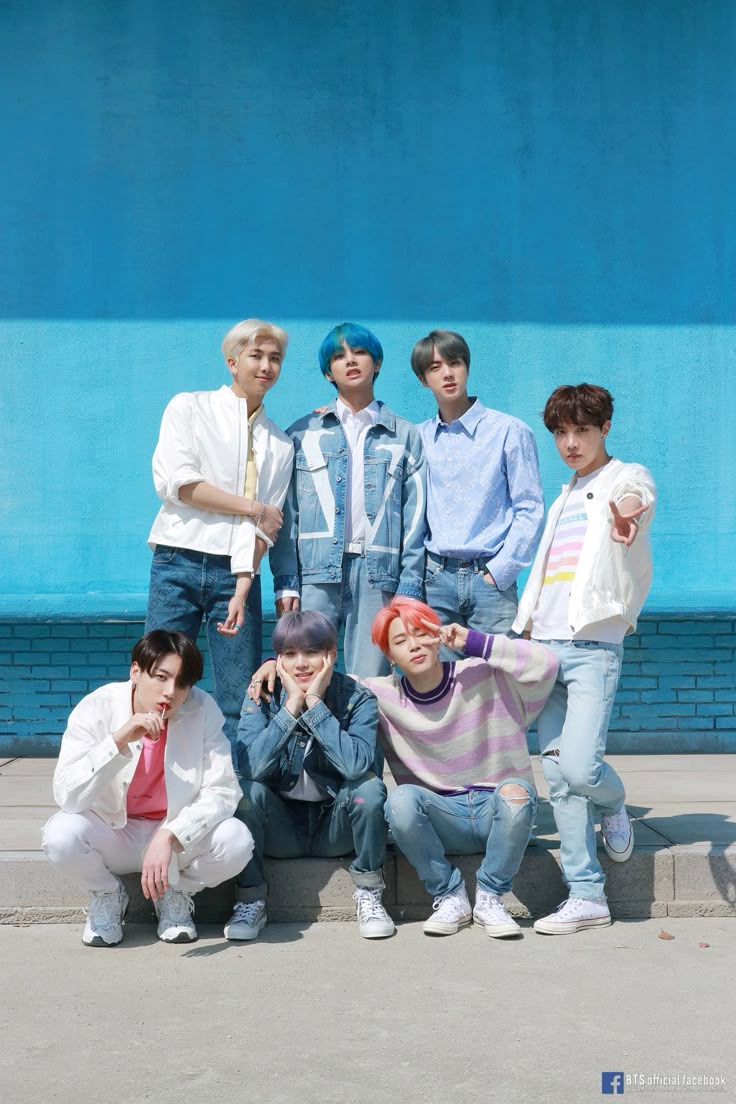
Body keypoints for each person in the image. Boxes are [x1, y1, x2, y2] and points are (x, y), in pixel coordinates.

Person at [249, 598, 558, 937]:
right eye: (400, 640)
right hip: (440, 818)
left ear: (437, 638)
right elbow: (315, 671)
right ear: (390, 657)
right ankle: (449, 894)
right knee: (398, 801)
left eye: (422, 633)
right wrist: (273, 664)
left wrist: (472, 642)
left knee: (516, 793)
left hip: (496, 810)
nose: (414, 645)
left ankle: (490, 898)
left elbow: (546, 664)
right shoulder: (381, 694)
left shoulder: (484, 674)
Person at [512, 384, 656, 935]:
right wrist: (525, 629)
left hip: (593, 649)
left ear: (604, 430)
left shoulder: (624, 477)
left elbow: (637, 497)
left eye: (582, 431)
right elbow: (547, 573)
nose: (570, 443)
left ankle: (614, 802)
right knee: (559, 780)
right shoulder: (564, 496)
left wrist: (627, 518)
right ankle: (588, 897)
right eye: (561, 433)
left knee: (579, 768)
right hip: (545, 651)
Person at [42, 630, 252, 946]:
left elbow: (223, 791)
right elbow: (68, 796)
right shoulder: (98, 706)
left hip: (171, 835)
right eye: (161, 677)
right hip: (114, 831)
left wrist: (172, 834)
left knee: (236, 841)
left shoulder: (202, 708)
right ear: (136, 671)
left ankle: (175, 892)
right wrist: (117, 741)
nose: (170, 692)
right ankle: (107, 894)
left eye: (182, 683)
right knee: (60, 835)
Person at [145, 318, 294, 750]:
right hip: (177, 561)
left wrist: (243, 588)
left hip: (238, 575)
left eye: (275, 358)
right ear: (232, 362)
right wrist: (253, 507)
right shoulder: (189, 408)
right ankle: (149, 777)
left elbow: (267, 530)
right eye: (256, 356)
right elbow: (180, 485)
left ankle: (235, 784)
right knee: (159, 679)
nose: (266, 366)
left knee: (240, 694)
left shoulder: (280, 443)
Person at [269, 322, 427, 677]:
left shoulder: (404, 435)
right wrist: (286, 581)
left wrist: (409, 584)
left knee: (371, 683)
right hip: (315, 573)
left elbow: (416, 518)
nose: (350, 361)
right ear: (329, 372)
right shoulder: (302, 434)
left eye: (359, 352)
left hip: (378, 575)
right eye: (339, 356)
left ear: (377, 362)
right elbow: (287, 515)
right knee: (306, 677)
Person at [226, 610, 394, 942]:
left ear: (331, 654)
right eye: (290, 654)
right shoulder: (263, 695)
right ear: (278, 661)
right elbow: (251, 768)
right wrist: (290, 707)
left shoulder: (357, 698)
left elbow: (356, 766)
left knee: (369, 788)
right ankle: (251, 900)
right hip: (281, 829)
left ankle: (369, 893)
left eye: (312, 652)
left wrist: (315, 705)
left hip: (336, 828)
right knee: (246, 791)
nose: (301, 663)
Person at [411, 329, 544, 637]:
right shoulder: (417, 437)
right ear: (423, 379)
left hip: (490, 580)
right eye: (435, 367)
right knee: (440, 669)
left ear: (467, 367)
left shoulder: (509, 431)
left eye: (455, 363)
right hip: (435, 580)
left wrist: (500, 571)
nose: (447, 373)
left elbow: (530, 507)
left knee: (497, 667)